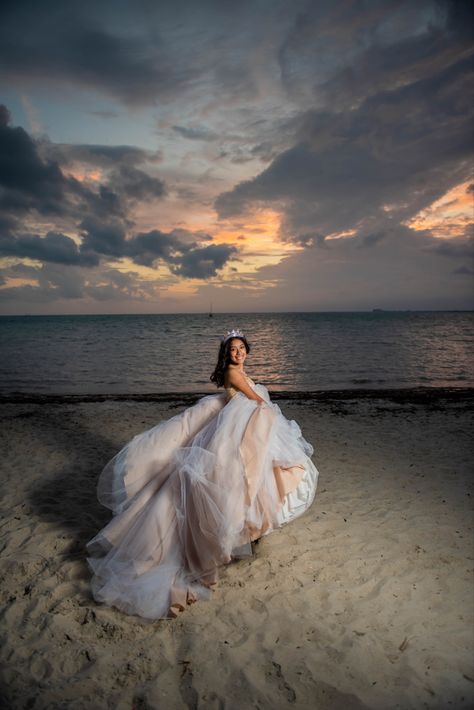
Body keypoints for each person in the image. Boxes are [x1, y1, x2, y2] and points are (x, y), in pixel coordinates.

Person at [86, 329, 318, 621]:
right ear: (226, 355)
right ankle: (229, 535)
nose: (238, 353)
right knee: (237, 481)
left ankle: (244, 531)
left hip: (235, 428)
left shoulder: (240, 372)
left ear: (247, 350)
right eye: (232, 349)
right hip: (233, 433)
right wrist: (270, 410)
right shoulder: (234, 374)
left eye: (241, 348)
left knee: (248, 481)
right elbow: (256, 402)